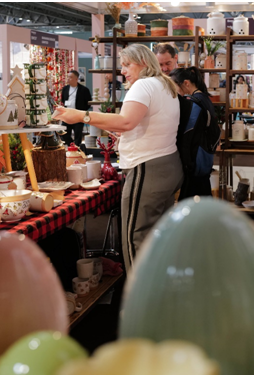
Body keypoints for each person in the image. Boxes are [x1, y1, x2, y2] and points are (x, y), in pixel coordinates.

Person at [54, 44, 183, 273]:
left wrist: (81, 116)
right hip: (168, 164)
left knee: (136, 236)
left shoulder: (143, 85)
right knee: (159, 235)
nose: (123, 70)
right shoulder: (165, 84)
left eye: (127, 64)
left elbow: (126, 122)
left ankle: (138, 298)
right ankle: (162, 289)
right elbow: (139, 122)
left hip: (147, 168)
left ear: (143, 62)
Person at [171, 67, 221, 199]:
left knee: (188, 202)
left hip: (195, 160)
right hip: (204, 155)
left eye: (174, 85)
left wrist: (186, 163)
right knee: (204, 197)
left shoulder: (194, 103)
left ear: (186, 83)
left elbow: (188, 135)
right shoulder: (204, 98)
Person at [60, 70, 92, 149]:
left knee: (78, 134)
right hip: (67, 115)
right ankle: (72, 145)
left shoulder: (84, 90)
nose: (68, 79)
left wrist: (82, 111)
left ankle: (77, 149)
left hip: (78, 115)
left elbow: (88, 102)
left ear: (76, 79)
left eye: (71, 77)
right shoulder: (65, 89)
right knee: (63, 132)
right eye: (68, 77)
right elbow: (63, 100)